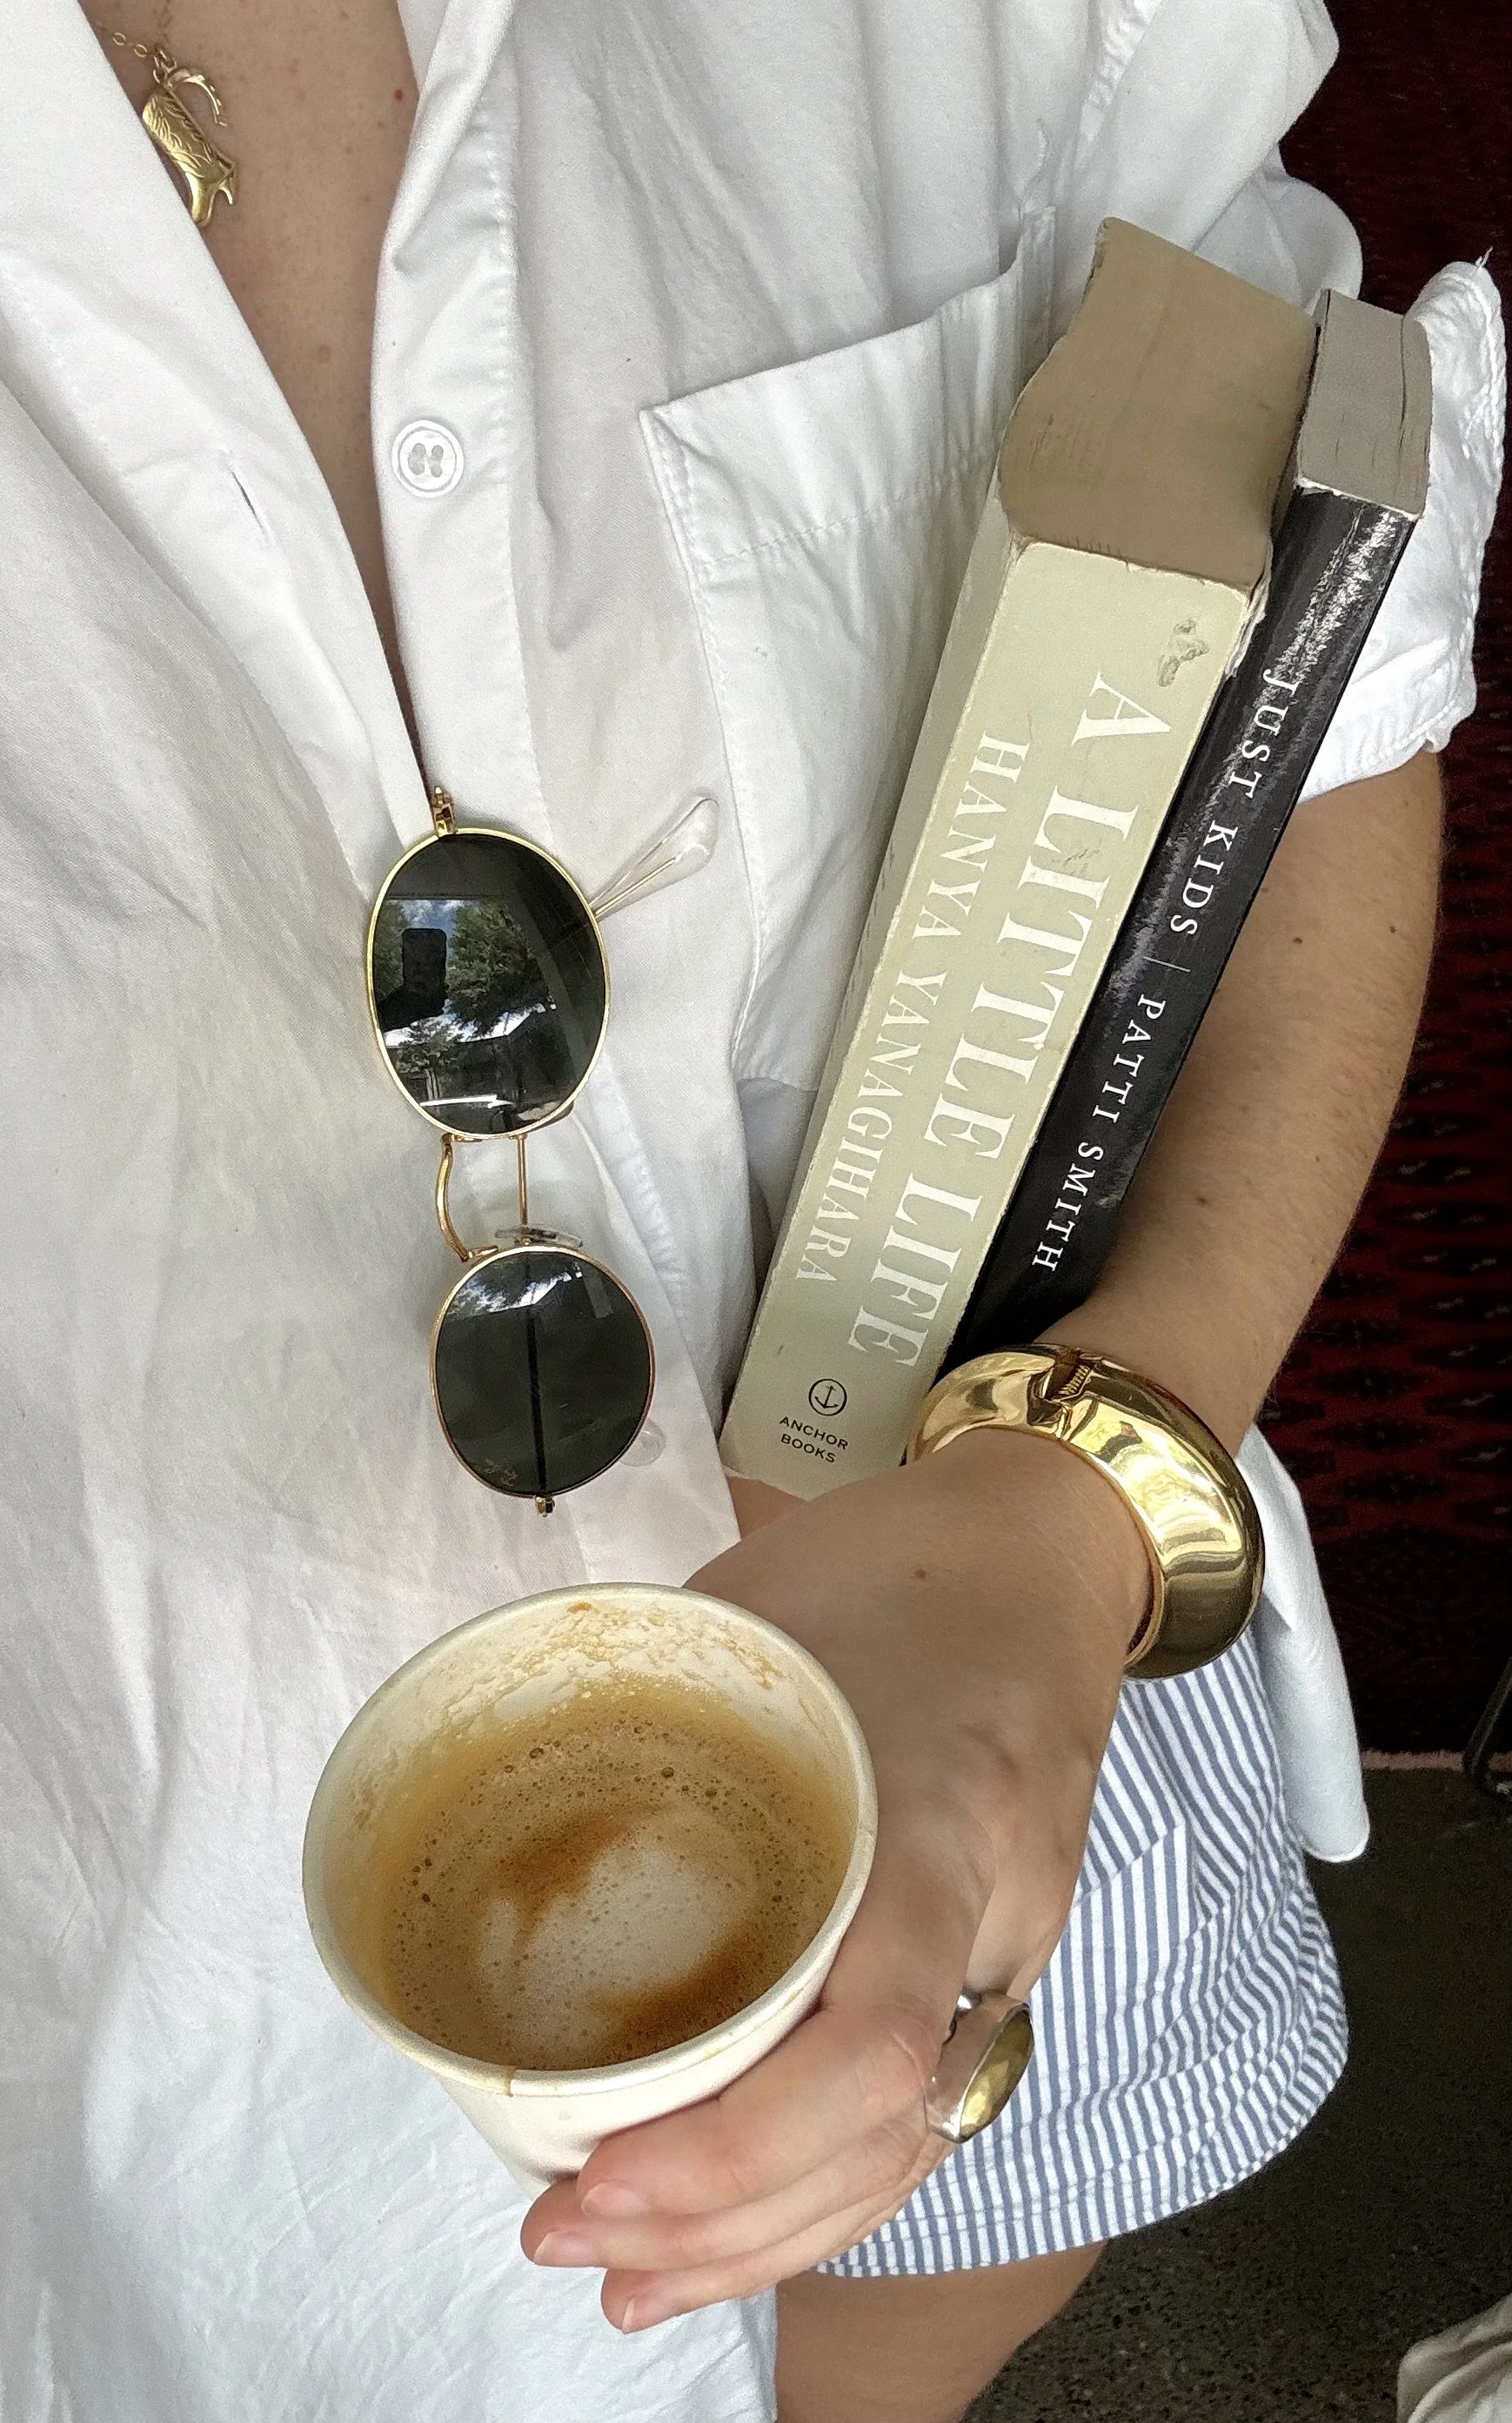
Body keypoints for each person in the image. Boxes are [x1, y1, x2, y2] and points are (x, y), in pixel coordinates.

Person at [0, 3, 1501, 2420]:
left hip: (1027, 1712)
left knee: (939, 2297)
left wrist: (1084, 1486)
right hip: (153, 2040)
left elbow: (1305, 669)